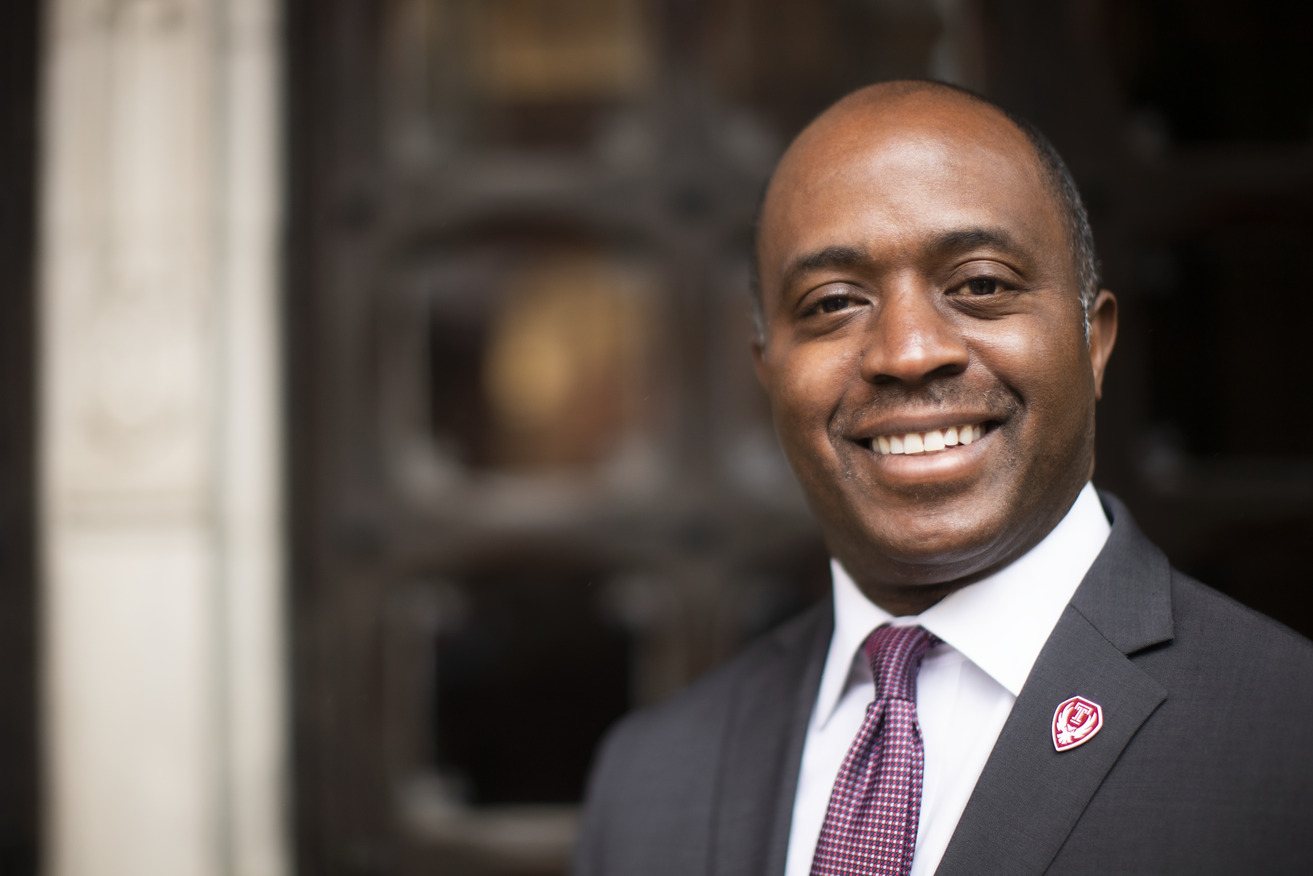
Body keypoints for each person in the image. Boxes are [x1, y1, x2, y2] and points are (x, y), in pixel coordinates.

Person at [572, 81, 1313, 875]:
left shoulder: (1286, 738)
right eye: (832, 302)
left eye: (981, 285)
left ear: (1091, 342)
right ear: (768, 374)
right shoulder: (649, 778)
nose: (908, 351)